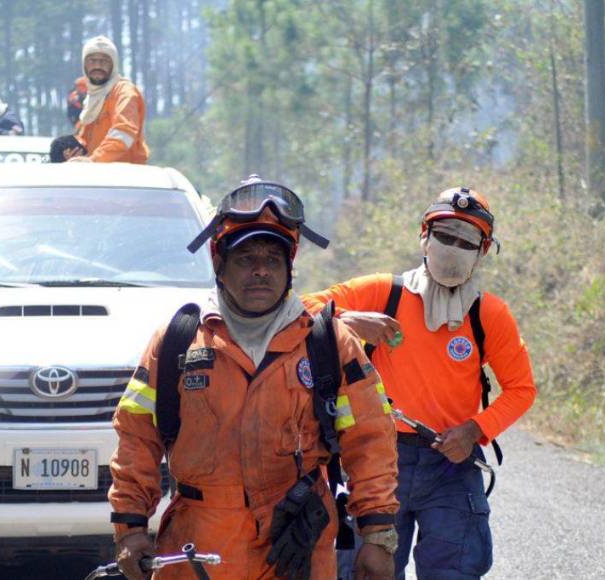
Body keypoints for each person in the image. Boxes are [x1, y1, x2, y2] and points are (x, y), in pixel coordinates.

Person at [110, 177, 399, 580]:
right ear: (219, 265)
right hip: (199, 545)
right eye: (246, 258)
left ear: (290, 268)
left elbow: (370, 440)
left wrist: (378, 535)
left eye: (273, 259)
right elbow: (137, 437)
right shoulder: (178, 340)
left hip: (297, 544)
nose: (260, 271)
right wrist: (130, 528)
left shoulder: (328, 342)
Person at [302, 187, 537, 579]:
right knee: (363, 571)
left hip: (451, 464)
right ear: (424, 236)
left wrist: (476, 430)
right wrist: (349, 319)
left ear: (484, 250)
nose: (453, 248)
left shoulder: (489, 315)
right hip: (376, 459)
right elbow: (301, 310)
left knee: (456, 572)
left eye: (466, 241)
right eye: (445, 236)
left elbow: (521, 390)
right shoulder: (383, 292)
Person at [64, 35, 149, 163]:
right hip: (96, 175)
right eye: (92, 61)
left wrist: (94, 159)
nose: (97, 65)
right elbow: (85, 140)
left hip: (125, 177)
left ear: (114, 64)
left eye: (104, 61)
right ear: (84, 65)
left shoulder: (124, 92)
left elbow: (124, 132)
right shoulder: (92, 98)